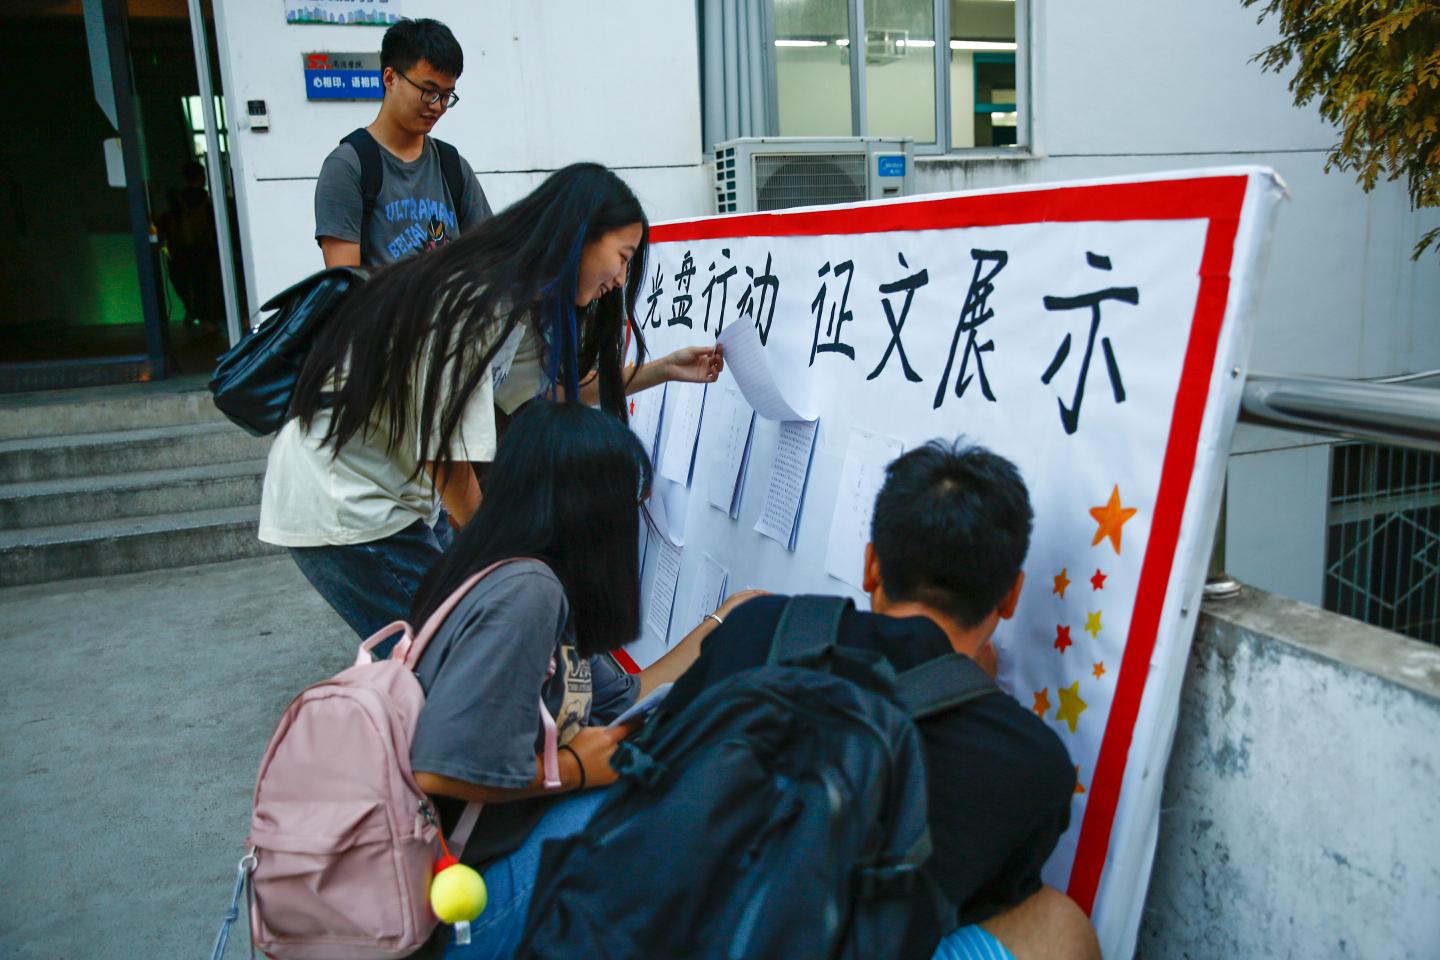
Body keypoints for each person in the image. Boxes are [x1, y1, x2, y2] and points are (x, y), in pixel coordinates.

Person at [658, 441, 1100, 960]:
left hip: (655, 926)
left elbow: (662, 757)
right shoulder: (1034, 763)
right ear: (1011, 596)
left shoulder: (761, 625)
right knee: (1056, 924)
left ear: (871, 565)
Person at [258, 163, 722, 640]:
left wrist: (663, 369)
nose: (621, 279)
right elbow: (446, 455)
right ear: (580, 235)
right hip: (348, 500)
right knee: (450, 652)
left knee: (468, 637)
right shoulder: (471, 297)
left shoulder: (520, 299)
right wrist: (509, 563)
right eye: (622, 257)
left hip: (402, 495)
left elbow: (557, 390)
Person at [404, 401, 758, 959]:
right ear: (589, 508)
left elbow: (634, 694)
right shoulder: (528, 592)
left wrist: (725, 619)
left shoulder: (522, 578)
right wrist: (574, 768)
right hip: (455, 907)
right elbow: (440, 767)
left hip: (472, 870)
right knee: (675, 812)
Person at [314, 18, 493, 270]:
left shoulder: (452, 165)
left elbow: (489, 260)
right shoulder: (347, 167)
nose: (437, 106)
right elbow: (346, 284)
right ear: (390, 78)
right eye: (428, 91)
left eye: (446, 96)